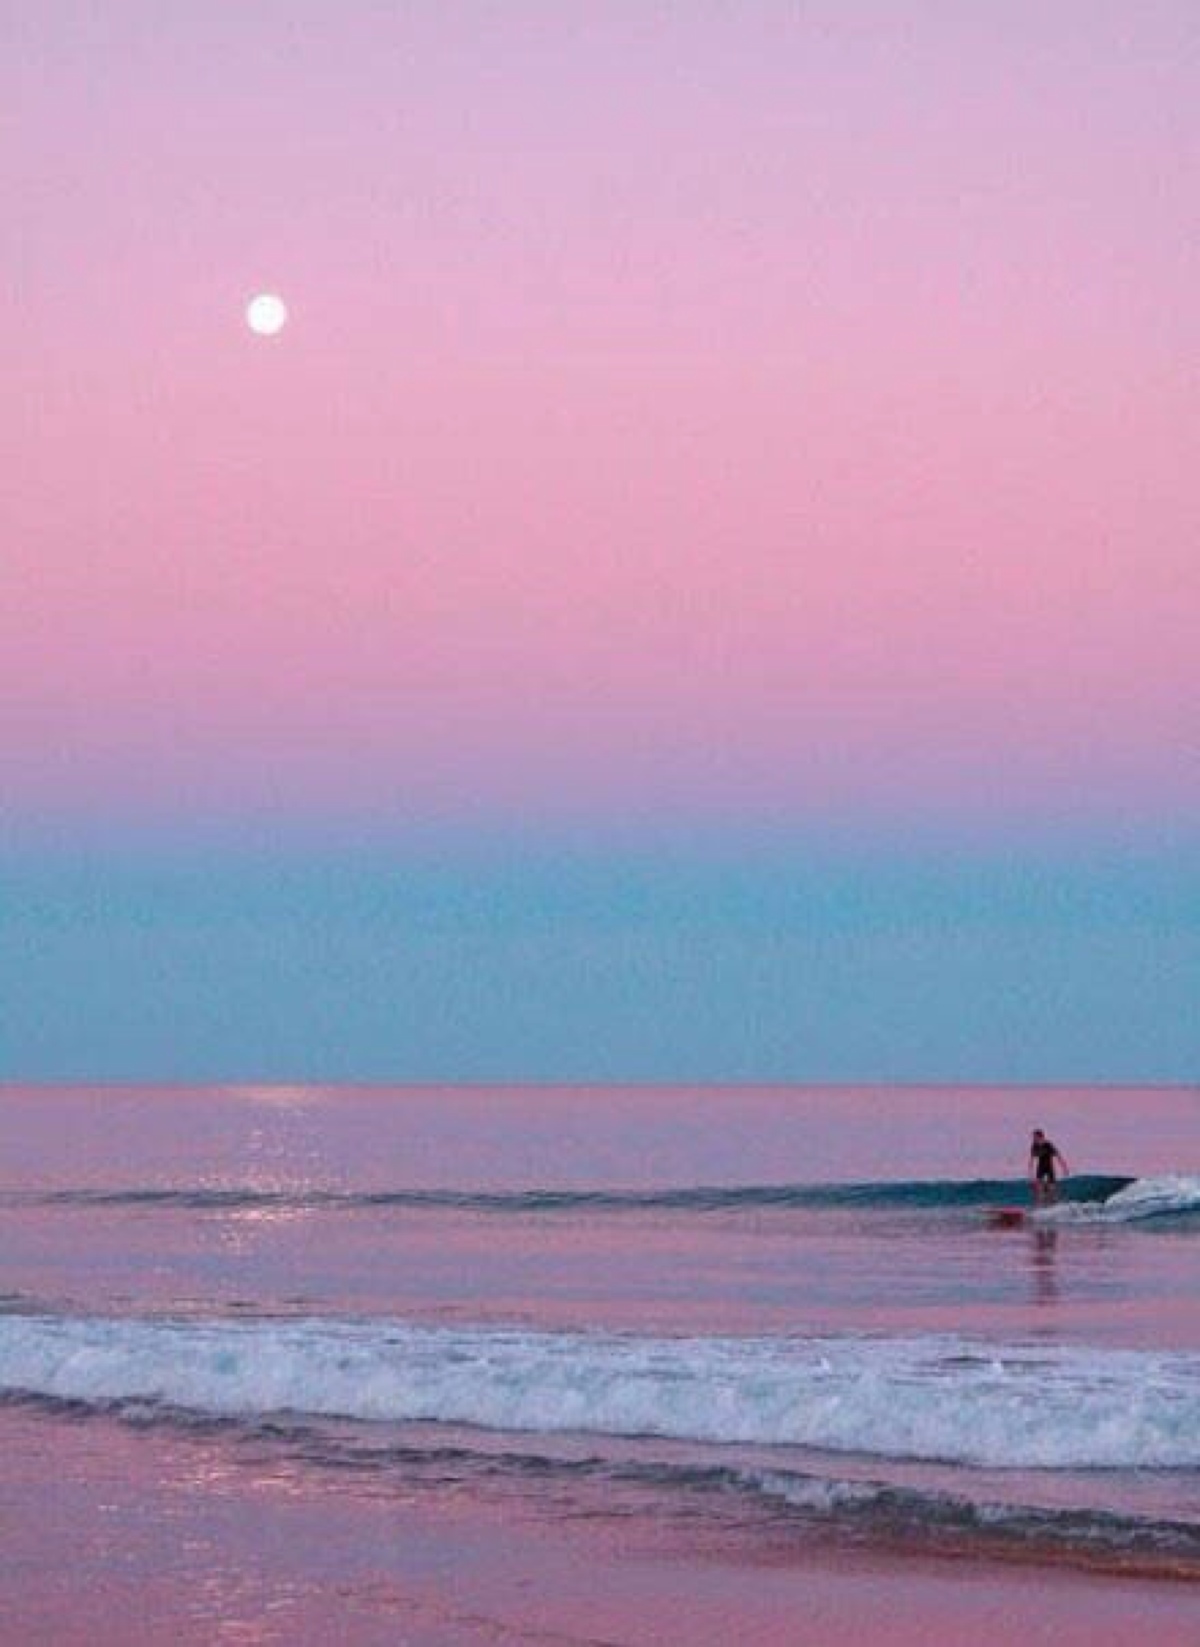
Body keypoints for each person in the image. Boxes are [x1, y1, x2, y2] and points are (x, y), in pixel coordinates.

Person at [1028, 1128, 1070, 1205]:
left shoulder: (1048, 1145)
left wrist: (1064, 1167)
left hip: (1049, 1168)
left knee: (1052, 1189)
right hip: (1040, 1167)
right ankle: (1039, 1204)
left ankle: (1054, 1203)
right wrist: (1030, 1172)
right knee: (1038, 1188)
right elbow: (1032, 1159)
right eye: (1033, 1138)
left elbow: (1058, 1156)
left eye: (1035, 1137)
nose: (1034, 1139)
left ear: (1041, 1137)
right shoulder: (1034, 1146)